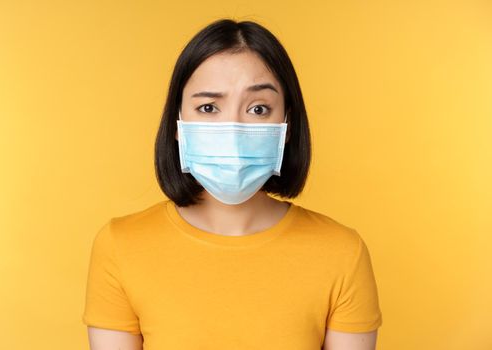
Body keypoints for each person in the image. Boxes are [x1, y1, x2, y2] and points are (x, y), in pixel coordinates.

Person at [82, 18, 382, 350]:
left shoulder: (342, 253)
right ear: (178, 125)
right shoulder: (121, 246)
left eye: (258, 109)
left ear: (286, 125)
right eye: (208, 107)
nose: (234, 130)